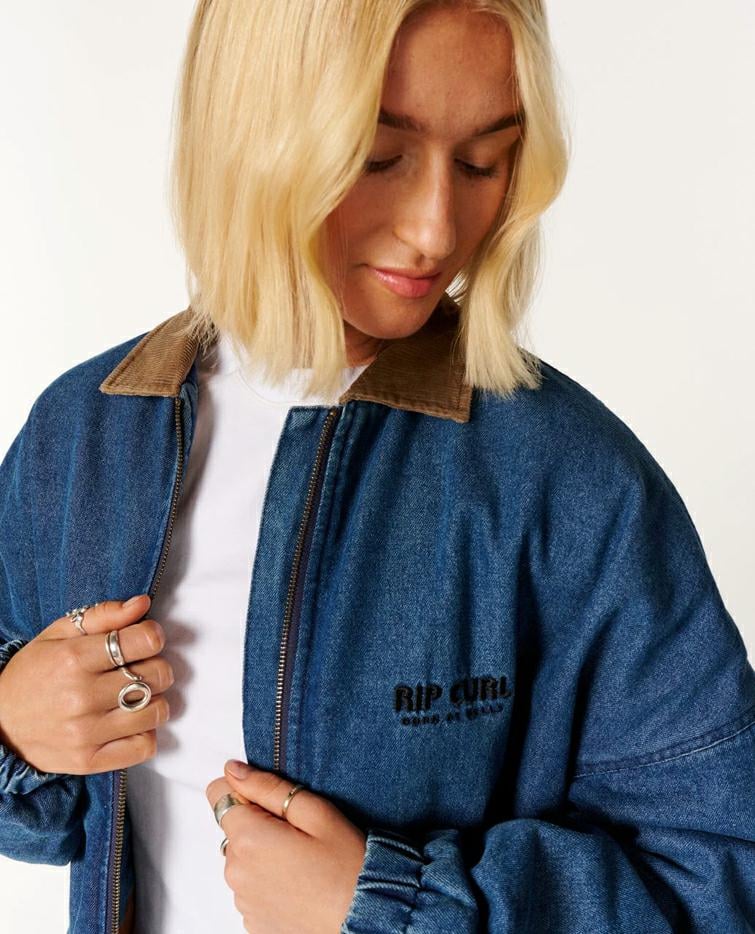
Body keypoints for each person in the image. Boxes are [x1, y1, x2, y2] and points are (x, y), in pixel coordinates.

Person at [0, 0, 753, 932]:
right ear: (250, 134)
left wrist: (393, 908)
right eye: (377, 156)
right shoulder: (83, 432)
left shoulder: (571, 481)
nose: (436, 228)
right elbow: (43, 821)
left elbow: (720, 874)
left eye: (481, 162)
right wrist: (12, 724)